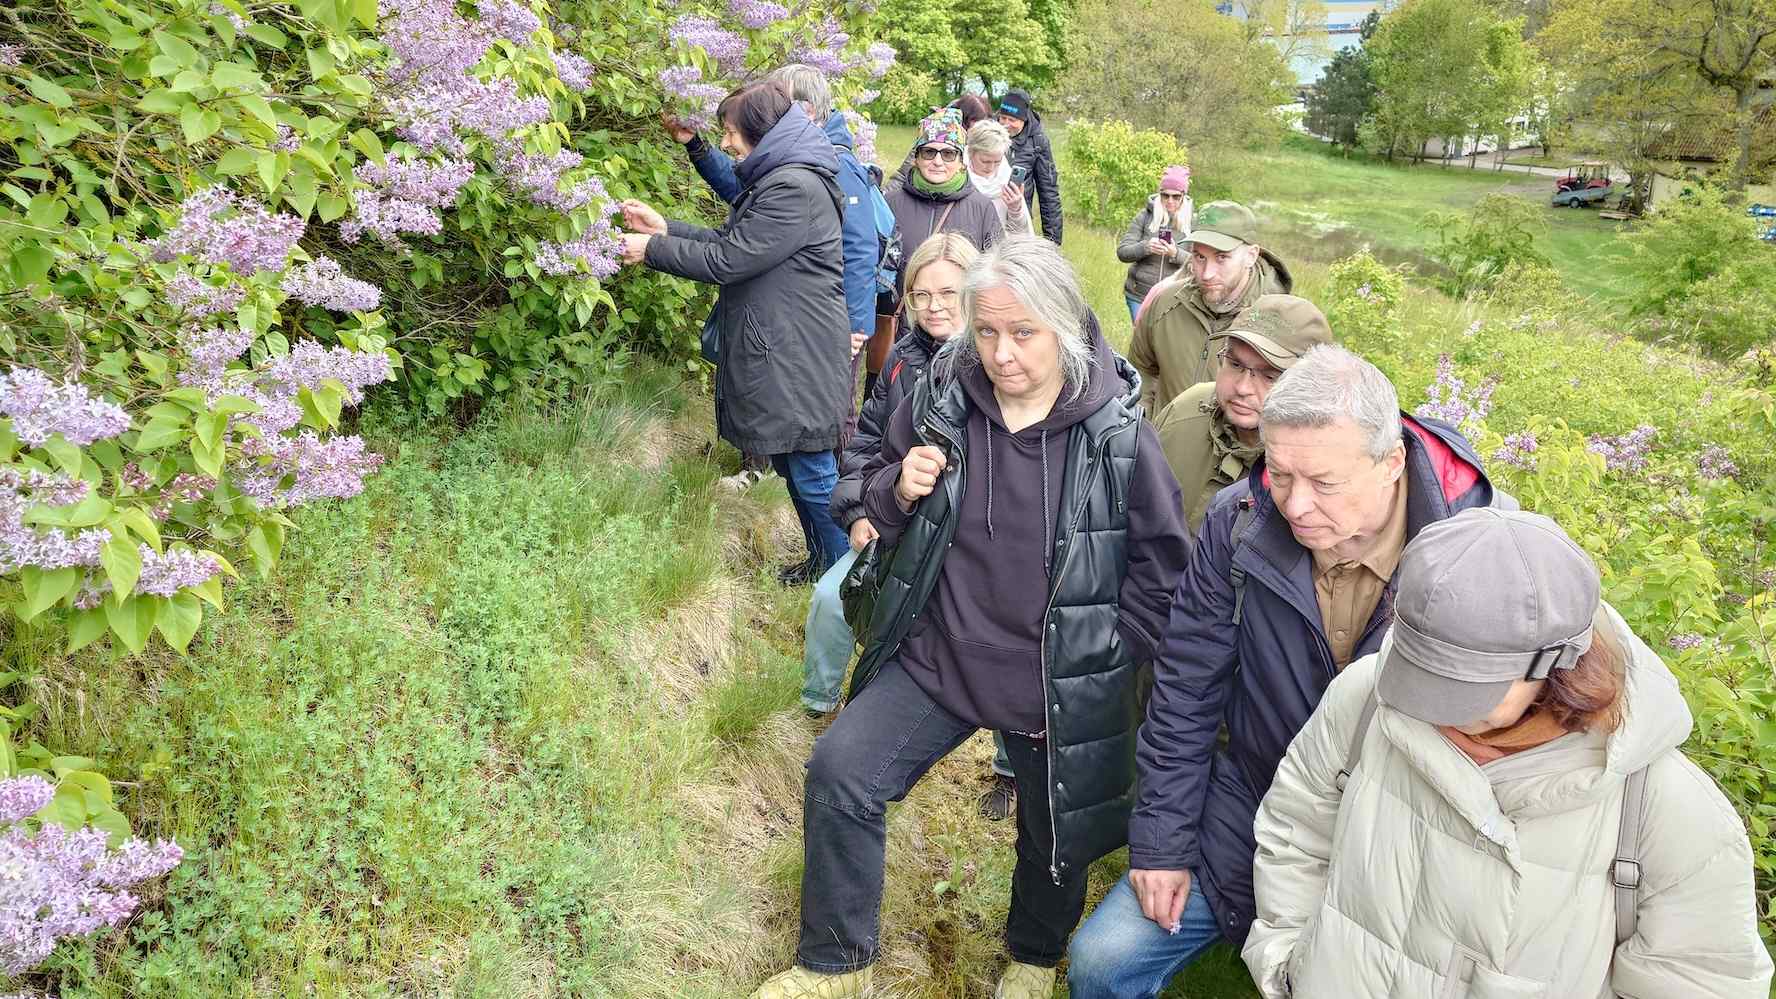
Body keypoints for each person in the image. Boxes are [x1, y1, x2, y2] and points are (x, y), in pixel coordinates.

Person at [753, 236, 1190, 999]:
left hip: (1052, 683)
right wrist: (898, 487)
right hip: (940, 658)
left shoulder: (1117, 436)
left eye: (1023, 332)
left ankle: (1033, 956)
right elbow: (869, 492)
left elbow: (1163, 564)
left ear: (1063, 326)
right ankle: (835, 962)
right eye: (986, 331)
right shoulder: (944, 398)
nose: (1001, 353)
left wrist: (1106, 654)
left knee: (1053, 829)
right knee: (841, 771)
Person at [1066, 344, 1512, 999]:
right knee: (1101, 961)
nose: (1296, 505)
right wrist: (1161, 843)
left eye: (1324, 482)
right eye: (1279, 473)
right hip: (1253, 803)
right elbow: (1185, 688)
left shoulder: (1486, 554)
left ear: (1391, 464)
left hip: (1401, 845)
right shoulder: (1239, 523)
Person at [1245, 508, 1774, 998]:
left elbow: (1704, 981)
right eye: (1423, 674)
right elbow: (1296, 829)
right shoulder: (1366, 698)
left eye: (1466, 686)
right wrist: (1290, 965)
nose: (1435, 707)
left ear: (1557, 664)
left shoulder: (1666, 806)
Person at [620, 80, 852, 581]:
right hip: (790, 349)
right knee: (794, 466)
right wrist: (665, 229)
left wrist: (652, 251)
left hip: (800, 355)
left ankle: (844, 579)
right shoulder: (783, 177)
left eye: (729, 132)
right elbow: (734, 239)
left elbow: (729, 259)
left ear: (760, 131)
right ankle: (823, 564)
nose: (725, 143)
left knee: (812, 473)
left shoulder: (793, 187)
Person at [804, 232, 979, 718]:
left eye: (948, 293)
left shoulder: (991, 363)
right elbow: (866, 442)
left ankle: (1007, 756)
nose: (934, 306)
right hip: (892, 520)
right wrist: (860, 512)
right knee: (829, 598)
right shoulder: (901, 358)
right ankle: (817, 706)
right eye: (921, 295)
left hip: (962, 541)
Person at [665, 63, 879, 459]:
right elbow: (743, 190)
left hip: (823, 323)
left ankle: (842, 489)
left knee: (818, 427)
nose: (767, 110)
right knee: (783, 410)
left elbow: (860, 248)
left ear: (804, 111)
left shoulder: (831, 167)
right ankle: (763, 470)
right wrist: (697, 147)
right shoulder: (786, 161)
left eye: (777, 102)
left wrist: (855, 324)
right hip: (787, 312)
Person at [1152, 295, 1331, 532]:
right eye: (1235, 364)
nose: (1243, 388)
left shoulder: (1322, 471)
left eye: (1270, 376)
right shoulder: (1186, 409)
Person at [1128, 200, 1293, 416]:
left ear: (1251, 256)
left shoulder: (1281, 320)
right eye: (1199, 257)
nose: (1207, 274)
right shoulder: (1166, 302)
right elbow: (1141, 368)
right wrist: (1144, 423)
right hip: (1163, 436)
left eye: (1222, 257)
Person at [883, 107, 1002, 293]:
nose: (938, 162)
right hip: (900, 309)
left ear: (961, 162)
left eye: (948, 154)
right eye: (929, 152)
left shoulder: (982, 208)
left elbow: (996, 274)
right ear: (916, 158)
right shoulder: (890, 204)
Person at [1116, 166, 1193, 323]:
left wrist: (1175, 254)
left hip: (1174, 298)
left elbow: (1198, 264)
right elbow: (1123, 252)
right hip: (1139, 295)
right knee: (1141, 336)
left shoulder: (1194, 222)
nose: (1170, 201)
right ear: (1160, 194)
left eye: (1176, 196)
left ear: (1183, 196)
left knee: (1163, 338)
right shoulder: (1144, 216)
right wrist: (1146, 247)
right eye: (1165, 195)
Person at [996, 89, 1062, 246]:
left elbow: (1049, 194)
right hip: (988, 217)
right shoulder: (988, 133)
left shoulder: (1038, 142)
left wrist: (1053, 245)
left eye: (1012, 120)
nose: (1005, 124)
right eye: (1003, 118)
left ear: (1024, 119)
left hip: (1018, 222)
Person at [886, 94, 992, 192]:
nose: (981, 129)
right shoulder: (935, 136)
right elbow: (903, 175)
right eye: (977, 123)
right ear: (965, 120)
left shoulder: (983, 143)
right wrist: (885, 197)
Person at [964, 119, 1034, 238]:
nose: (991, 168)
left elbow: (1019, 234)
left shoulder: (1006, 179)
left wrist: (1015, 209)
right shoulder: (957, 178)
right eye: (985, 161)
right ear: (971, 153)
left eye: (997, 161)